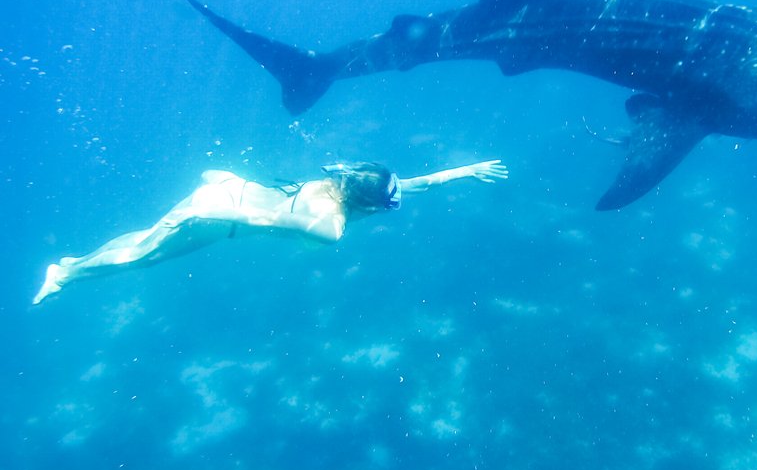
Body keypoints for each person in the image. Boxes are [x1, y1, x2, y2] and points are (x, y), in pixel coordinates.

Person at [32, 159, 508, 305]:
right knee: (141, 257)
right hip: (220, 217)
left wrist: (463, 172)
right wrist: (197, 214)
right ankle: (65, 276)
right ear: (369, 203)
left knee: (140, 238)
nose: (395, 202)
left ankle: (71, 264)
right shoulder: (331, 226)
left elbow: (414, 184)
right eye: (390, 202)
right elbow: (266, 220)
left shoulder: (348, 183)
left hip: (231, 185)